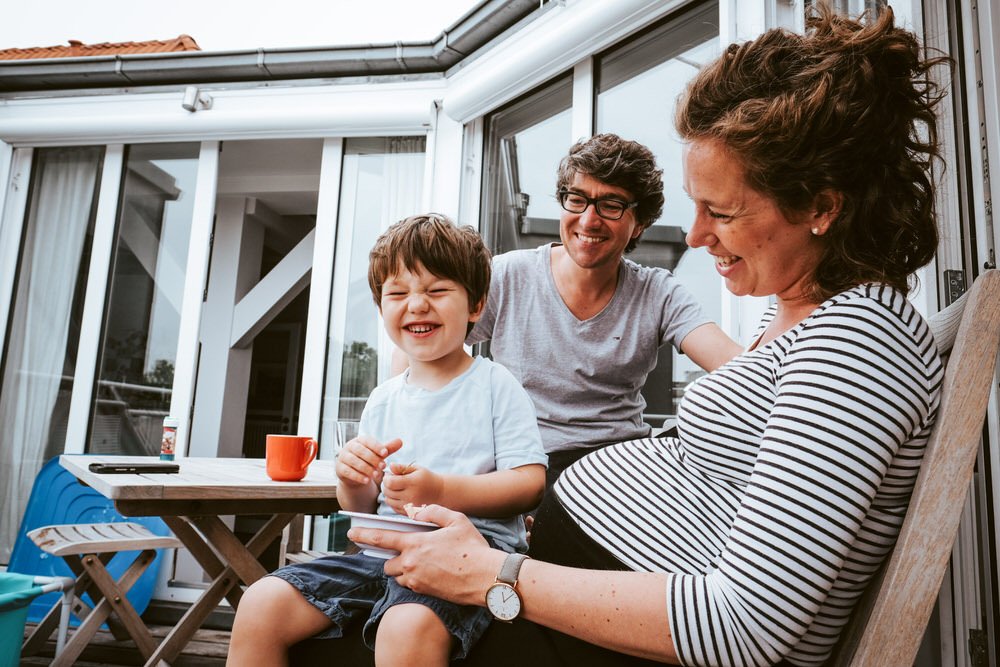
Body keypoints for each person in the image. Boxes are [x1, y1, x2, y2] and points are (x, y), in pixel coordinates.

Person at [326, 6, 949, 666]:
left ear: (822, 207)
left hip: (591, 624)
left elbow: (747, 627)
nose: (697, 235)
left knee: (330, 641)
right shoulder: (801, 316)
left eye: (724, 211)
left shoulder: (857, 345)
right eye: (696, 206)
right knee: (307, 607)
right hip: (554, 573)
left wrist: (493, 572)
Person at [227, 214, 547, 666]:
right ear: (381, 309)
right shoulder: (382, 398)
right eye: (397, 293)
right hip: (378, 556)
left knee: (405, 627)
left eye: (436, 291)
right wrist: (353, 477)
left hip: (464, 559)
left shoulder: (496, 385)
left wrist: (440, 490)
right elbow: (360, 505)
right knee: (261, 602)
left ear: (475, 306)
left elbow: (528, 484)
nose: (416, 305)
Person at [466, 132, 741, 487]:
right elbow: (420, 347)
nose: (589, 220)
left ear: (638, 223)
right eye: (577, 199)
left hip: (619, 473)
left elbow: (737, 368)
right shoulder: (506, 275)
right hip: (523, 466)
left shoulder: (657, 292)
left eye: (611, 205)